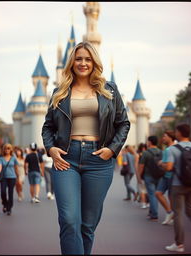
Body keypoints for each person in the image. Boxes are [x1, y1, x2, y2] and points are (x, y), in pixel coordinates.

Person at [42, 41, 130, 255]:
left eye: (88, 59)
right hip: (66, 159)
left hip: (98, 160)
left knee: (87, 226)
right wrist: (51, 149)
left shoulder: (109, 90)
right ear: (72, 62)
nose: (83, 63)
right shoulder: (59, 92)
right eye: (79, 58)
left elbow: (123, 123)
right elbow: (48, 127)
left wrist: (112, 149)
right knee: (69, 220)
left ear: (94, 62)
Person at [164, 124, 191, 253]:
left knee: (178, 214)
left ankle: (179, 244)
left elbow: (169, 167)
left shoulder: (173, 149)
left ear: (178, 133)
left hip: (178, 185)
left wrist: (162, 164)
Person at [138, 136, 162, 221]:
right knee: (155, 194)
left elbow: (141, 166)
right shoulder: (160, 151)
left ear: (150, 142)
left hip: (148, 176)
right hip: (159, 176)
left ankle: (154, 215)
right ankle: (152, 212)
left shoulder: (146, 153)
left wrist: (139, 178)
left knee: (151, 195)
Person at [155, 131, 175, 225]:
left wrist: (160, 163)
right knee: (158, 193)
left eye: (165, 136)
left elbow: (168, 166)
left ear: (170, 137)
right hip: (166, 176)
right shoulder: (169, 148)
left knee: (171, 198)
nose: (163, 138)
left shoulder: (170, 149)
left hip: (171, 176)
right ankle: (170, 212)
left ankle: (171, 216)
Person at [0, 143, 19, 216]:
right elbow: (0, 166)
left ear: (11, 150)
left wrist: (18, 177)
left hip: (12, 177)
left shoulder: (13, 158)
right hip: (4, 178)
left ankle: (9, 208)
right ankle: (5, 204)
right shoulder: (1, 158)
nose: (7, 150)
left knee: (10, 193)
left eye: (8, 148)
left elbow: (16, 168)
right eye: (6, 148)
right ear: (4, 149)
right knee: (3, 192)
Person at [136, 143, 148, 208]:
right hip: (147, 174)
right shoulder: (148, 154)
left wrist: (138, 176)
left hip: (142, 174)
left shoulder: (139, 155)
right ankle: (146, 202)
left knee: (142, 190)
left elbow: (137, 166)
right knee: (145, 189)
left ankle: (144, 203)